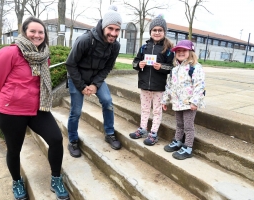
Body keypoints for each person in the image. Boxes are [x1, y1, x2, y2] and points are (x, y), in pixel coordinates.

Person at [0, 17, 69, 200]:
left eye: (41, 32)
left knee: (56, 139)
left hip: (37, 109)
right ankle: (16, 181)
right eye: (33, 31)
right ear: (24, 32)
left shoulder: (43, 56)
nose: (37, 35)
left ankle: (56, 178)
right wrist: (11, 99)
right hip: (11, 112)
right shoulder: (10, 53)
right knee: (14, 149)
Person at [65, 5, 122, 158]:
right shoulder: (85, 40)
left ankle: (109, 133)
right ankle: (73, 140)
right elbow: (70, 64)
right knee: (76, 111)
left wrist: (95, 85)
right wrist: (82, 86)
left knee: (108, 102)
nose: (113, 33)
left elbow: (108, 67)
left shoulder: (115, 46)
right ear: (104, 26)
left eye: (117, 30)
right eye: (110, 28)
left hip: (96, 78)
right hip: (77, 77)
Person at [129, 15, 174, 146]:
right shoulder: (144, 48)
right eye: (154, 30)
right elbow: (134, 63)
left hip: (159, 87)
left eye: (160, 30)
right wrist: (139, 65)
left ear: (164, 32)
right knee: (144, 109)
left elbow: (172, 68)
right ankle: (143, 129)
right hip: (144, 85)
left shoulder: (168, 50)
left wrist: (161, 67)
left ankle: (153, 133)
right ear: (150, 32)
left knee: (156, 111)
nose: (157, 32)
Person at [161, 39, 205, 160]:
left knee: (188, 126)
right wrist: (165, 100)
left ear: (190, 52)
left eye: (184, 50)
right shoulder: (174, 69)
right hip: (177, 102)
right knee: (179, 124)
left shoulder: (195, 68)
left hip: (189, 104)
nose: (180, 53)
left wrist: (195, 102)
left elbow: (199, 85)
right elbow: (169, 86)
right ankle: (178, 141)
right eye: (178, 51)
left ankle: (188, 147)